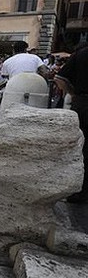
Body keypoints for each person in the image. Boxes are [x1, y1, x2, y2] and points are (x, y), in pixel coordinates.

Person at [55, 45, 88, 203]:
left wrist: (73, 94)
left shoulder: (81, 54)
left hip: (82, 102)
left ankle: (77, 191)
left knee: (79, 147)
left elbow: (59, 78)